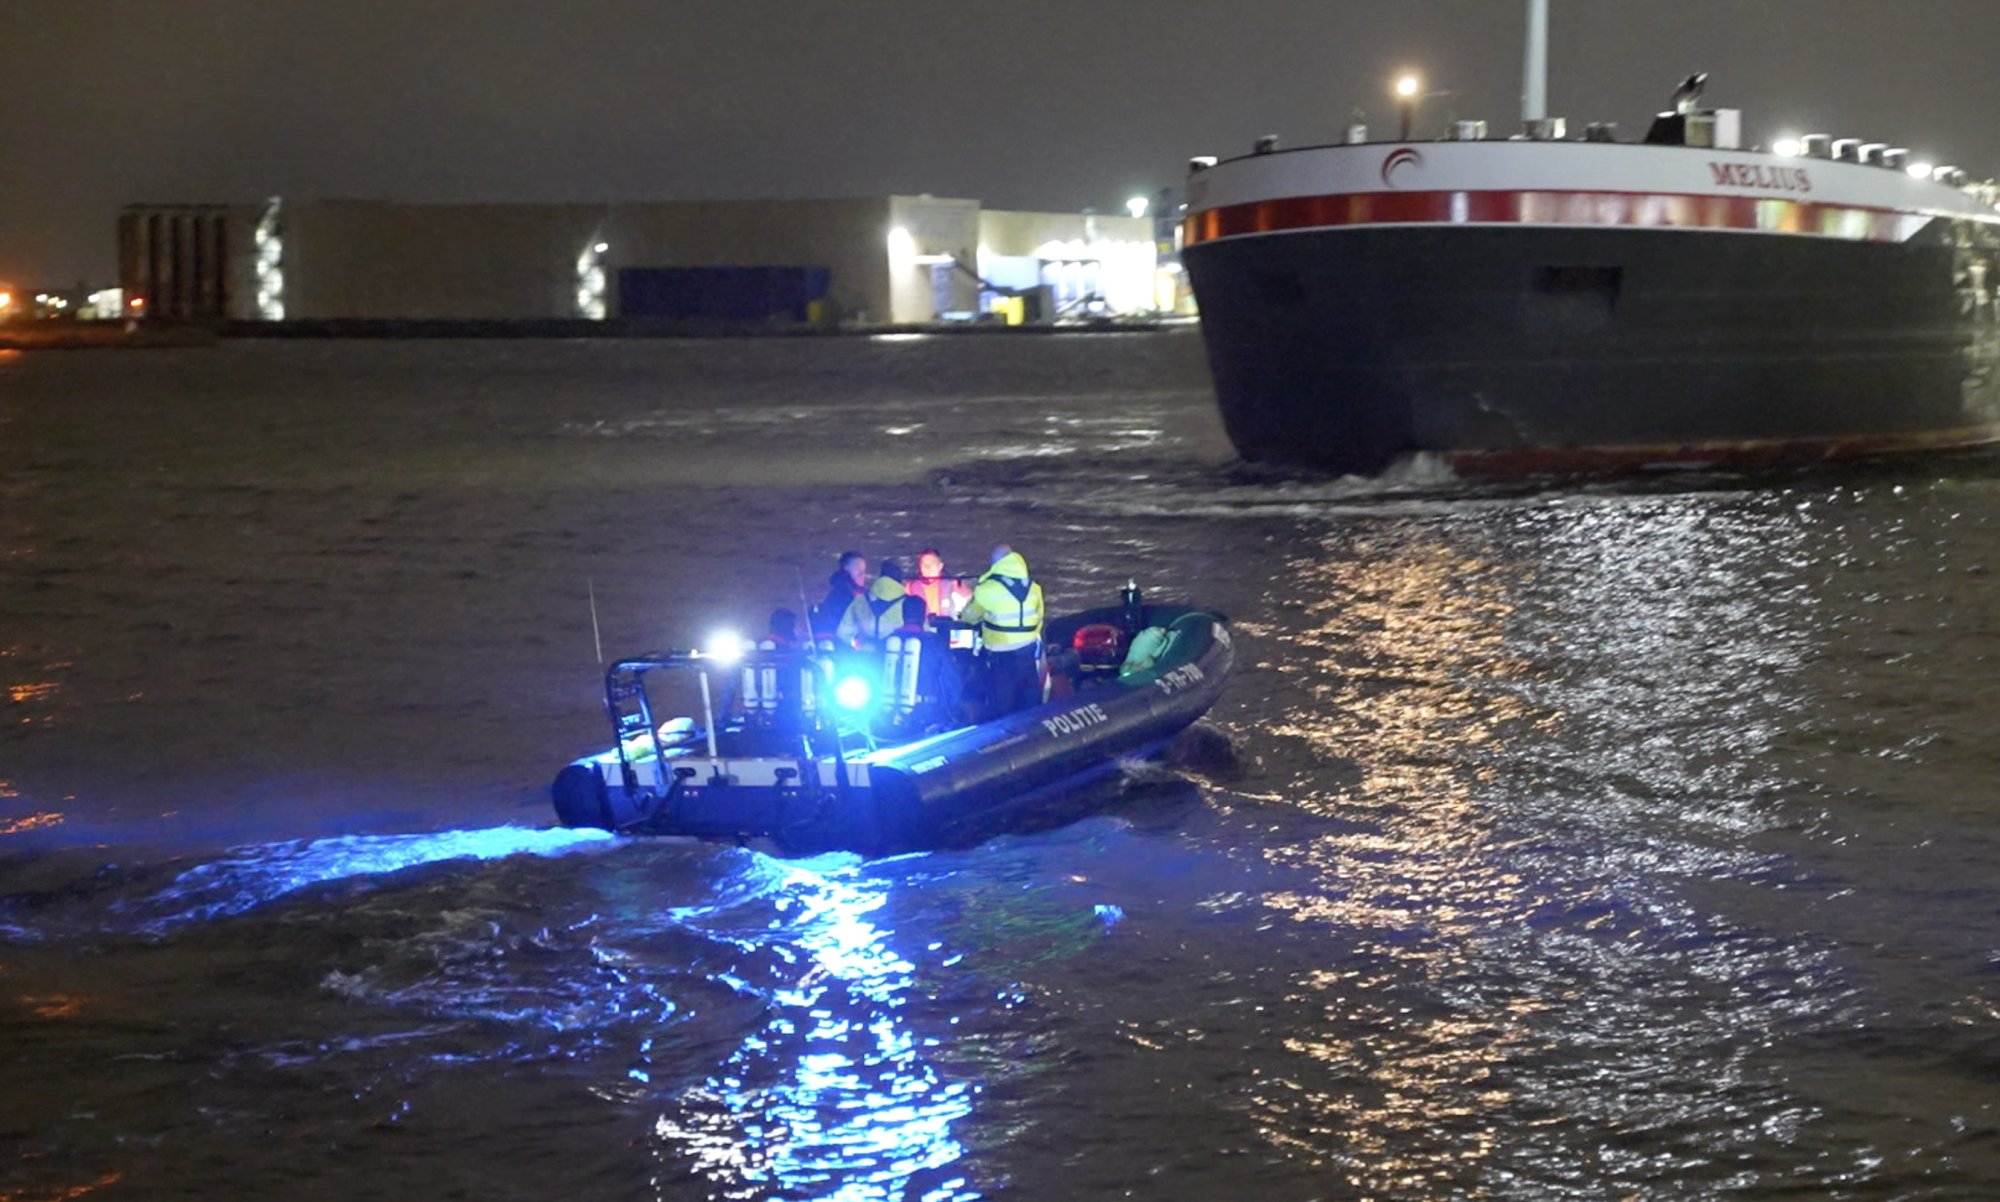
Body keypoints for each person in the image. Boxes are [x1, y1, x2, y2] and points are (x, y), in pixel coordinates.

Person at [960, 548, 1045, 718]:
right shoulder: (1033, 587)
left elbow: (969, 617)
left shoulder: (988, 588)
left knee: (1001, 707)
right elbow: (1040, 618)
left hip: (1000, 658)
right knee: (1029, 705)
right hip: (1028, 654)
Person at [881, 595, 964, 735]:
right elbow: (952, 679)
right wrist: (952, 709)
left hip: (887, 715)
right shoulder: (934, 643)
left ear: (903, 615)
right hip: (928, 715)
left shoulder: (886, 642)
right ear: (923, 616)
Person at [836, 559, 911, 649]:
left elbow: (843, 633)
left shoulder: (860, 600)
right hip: (896, 655)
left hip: (865, 657)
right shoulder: (909, 602)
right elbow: (923, 632)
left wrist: (855, 645)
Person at [906, 548, 972, 621]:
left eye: (932, 564)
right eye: (924, 565)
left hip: (947, 628)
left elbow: (971, 601)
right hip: (922, 630)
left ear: (940, 566)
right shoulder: (910, 587)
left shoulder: (953, 584)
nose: (928, 568)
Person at [813, 552, 867, 638]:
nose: (862, 574)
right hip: (842, 645)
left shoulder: (865, 596)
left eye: (864, 570)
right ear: (846, 568)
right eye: (857, 568)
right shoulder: (837, 597)